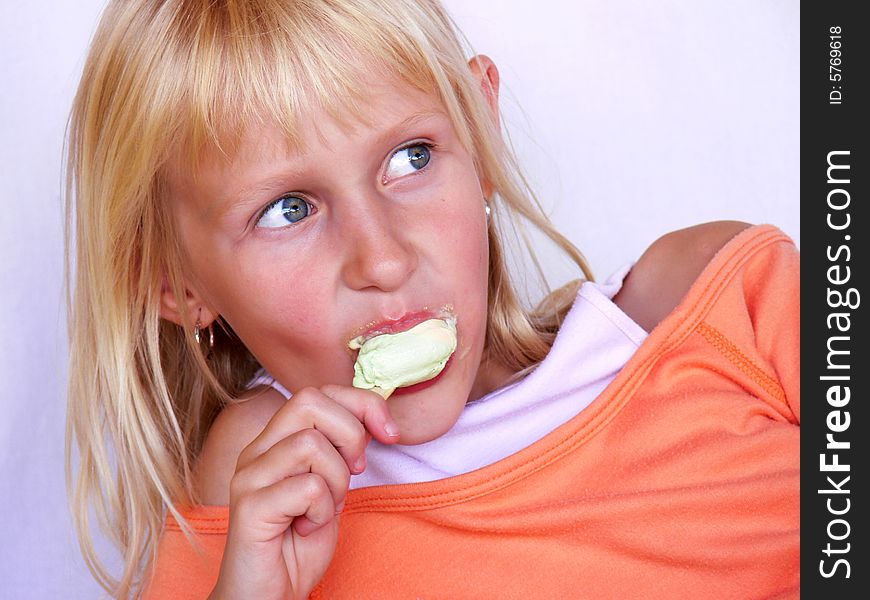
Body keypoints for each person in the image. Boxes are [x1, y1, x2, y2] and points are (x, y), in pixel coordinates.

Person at [64, 0, 800, 598]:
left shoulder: (714, 302)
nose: (383, 259)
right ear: (172, 283)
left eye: (410, 158)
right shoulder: (255, 506)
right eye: (288, 209)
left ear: (479, 133)